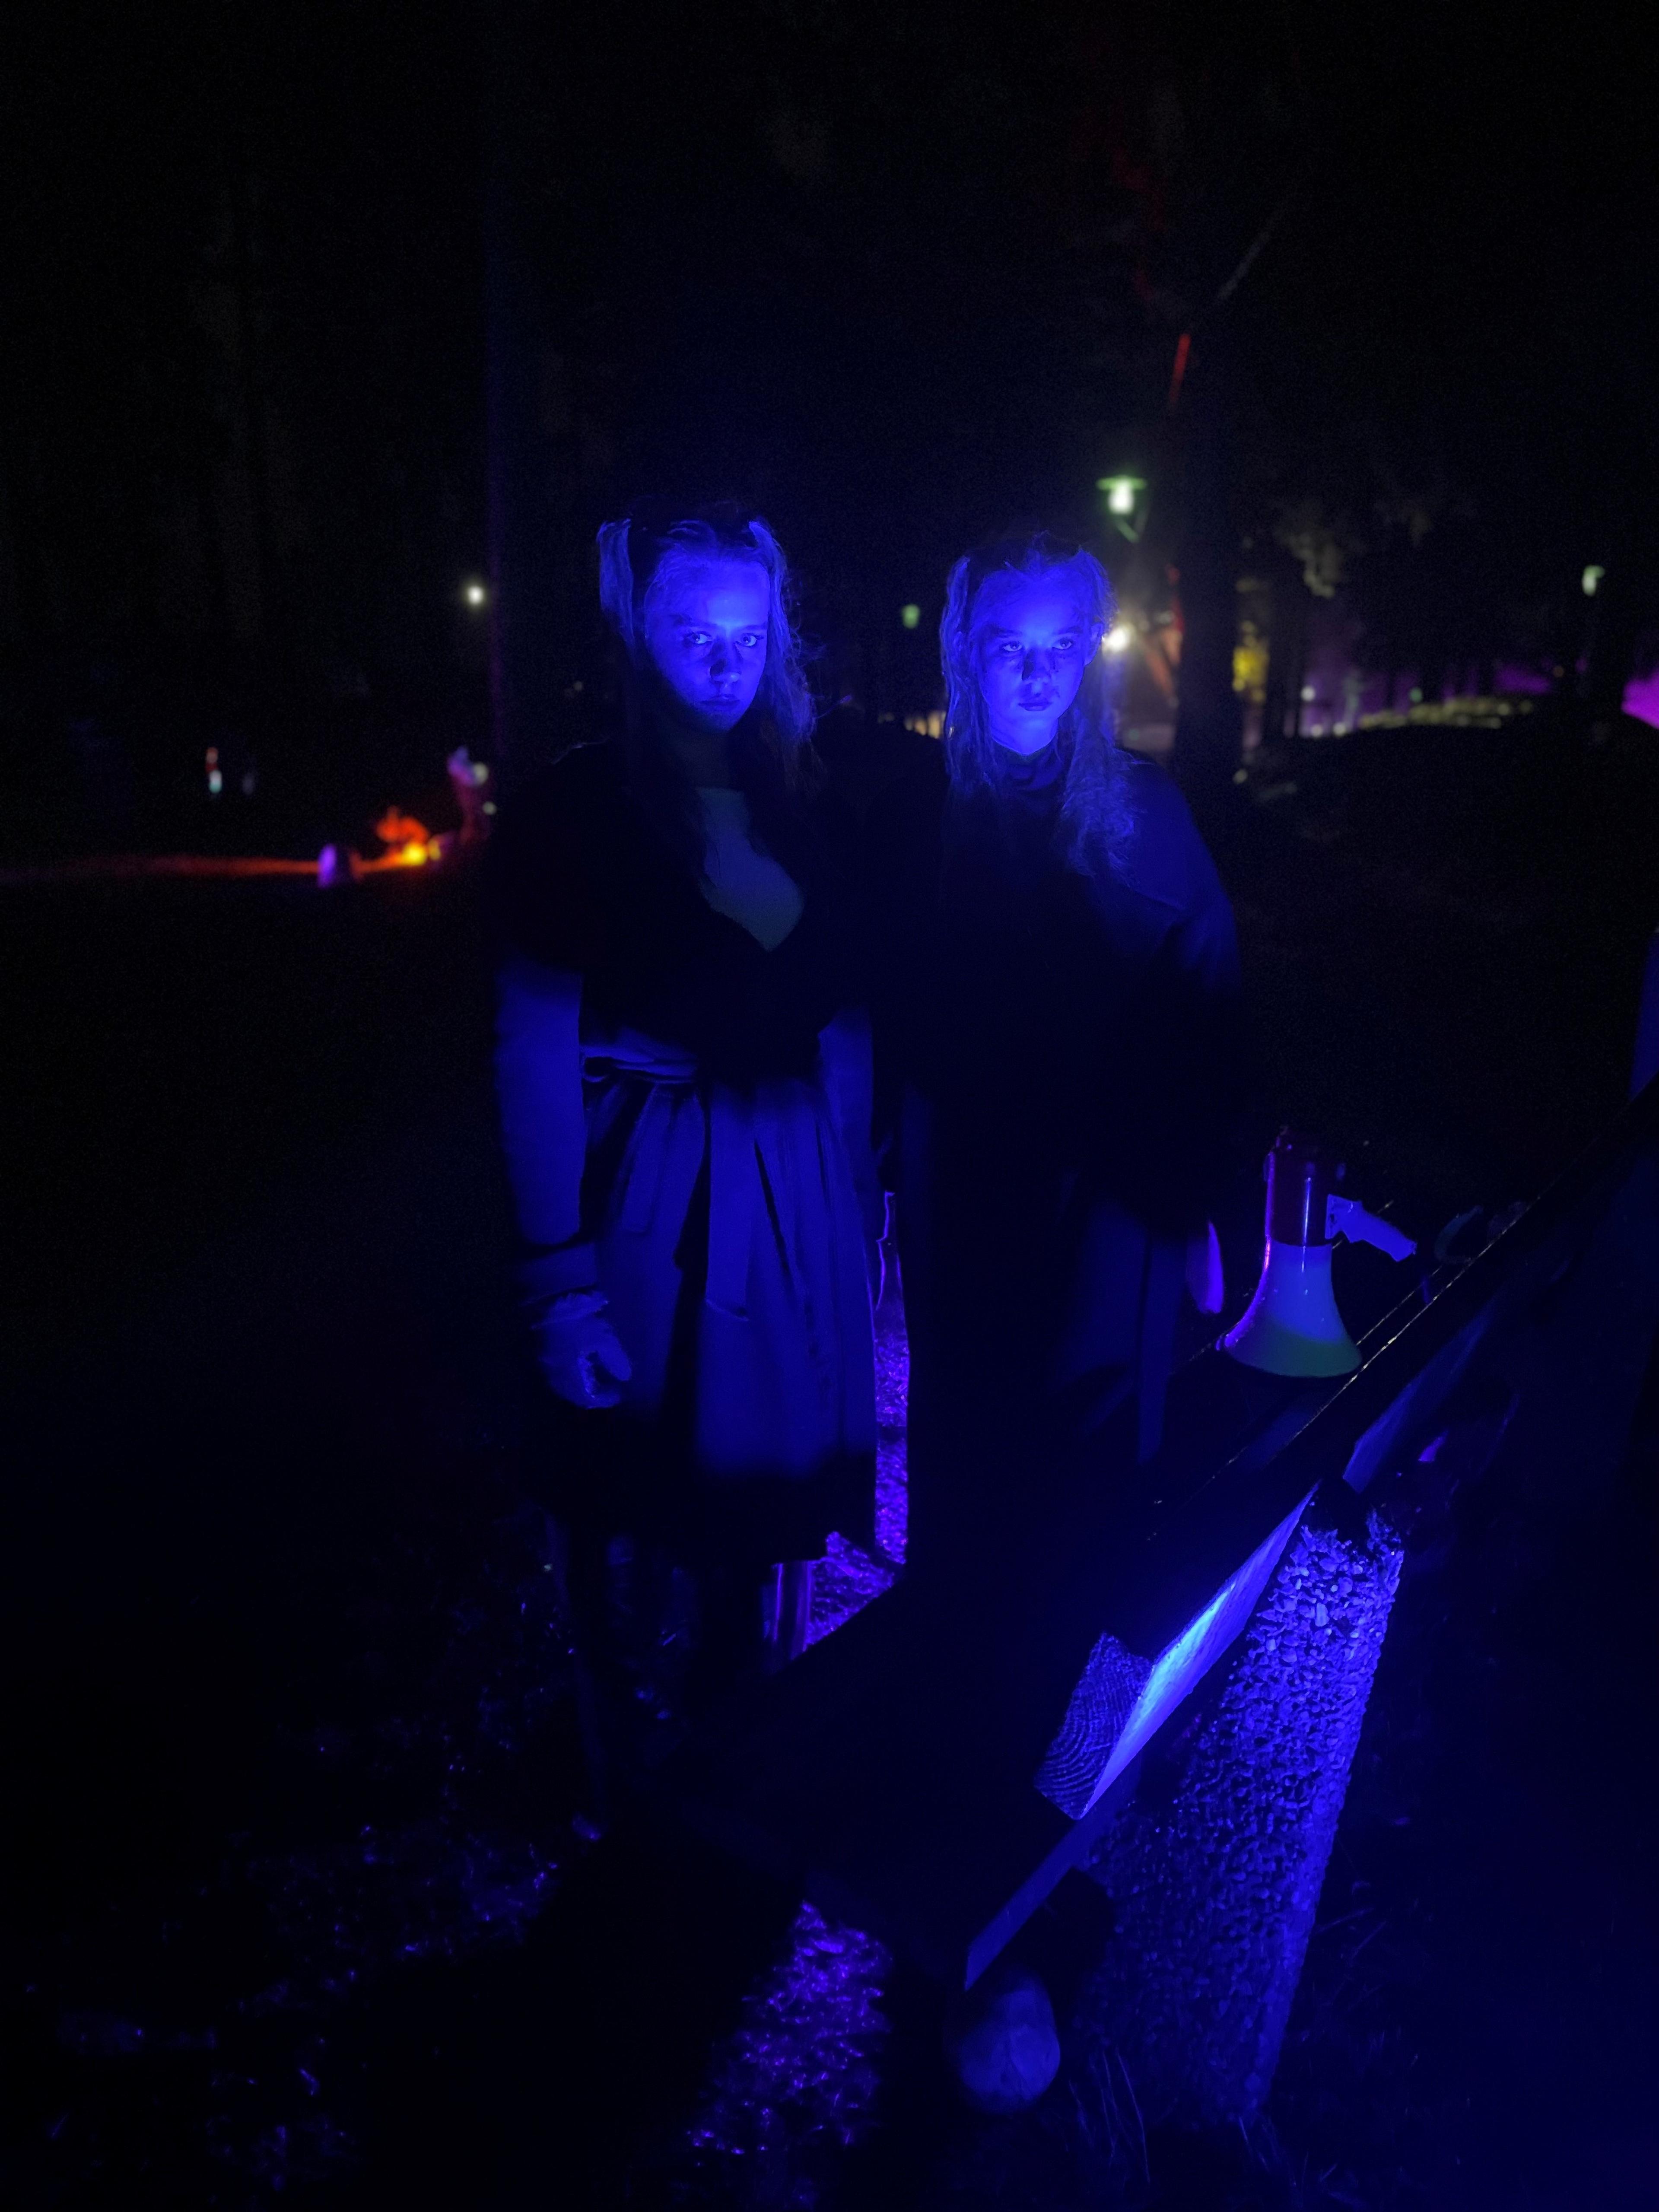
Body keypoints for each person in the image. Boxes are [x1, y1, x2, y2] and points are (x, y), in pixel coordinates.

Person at [490, 502, 879, 1780]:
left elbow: (842, 1020)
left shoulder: (800, 807)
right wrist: (559, 1278)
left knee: (756, 1512)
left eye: (747, 633)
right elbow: (530, 1041)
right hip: (650, 1198)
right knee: (631, 1494)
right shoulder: (576, 810)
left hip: (793, 1192)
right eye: (690, 629)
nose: (724, 659)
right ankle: (627, 1781)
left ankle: (735, 1763)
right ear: (633, 630)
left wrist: (854, 1199)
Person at [871, 531, 1241, 1578]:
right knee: (967, 1437)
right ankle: (953, 1640)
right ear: (967, 649)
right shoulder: (917, 817)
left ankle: (1067, 1652)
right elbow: (872, 1005)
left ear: (1089, 649)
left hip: (1110, 1198)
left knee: (1088, 1464)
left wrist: (1200, 1196)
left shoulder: (1147, 816)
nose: (1035, 673)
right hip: (965, 1187)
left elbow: (1210, 1008)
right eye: (1007, 646)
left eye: (1060, 645)